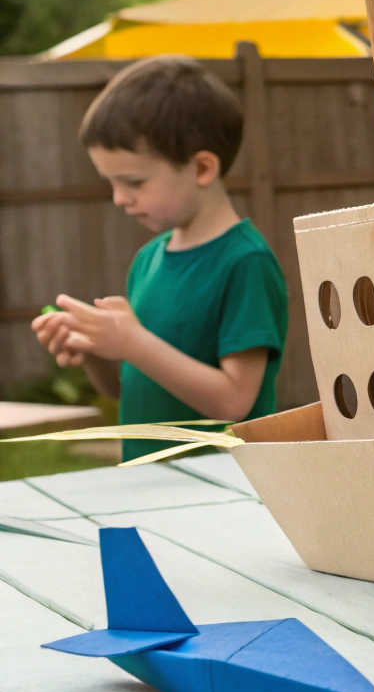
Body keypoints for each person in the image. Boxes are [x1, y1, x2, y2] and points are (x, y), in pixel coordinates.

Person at [31, 55, 288, 461]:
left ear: (201, 168)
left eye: (134, 181)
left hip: (221, 486)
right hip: (147, 479)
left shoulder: (245, 263)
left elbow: (234, 402)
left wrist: (131, 341)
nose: (119, 198)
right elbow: (128, 388)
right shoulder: (148, 260)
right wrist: (95, 350)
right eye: (111, 182)